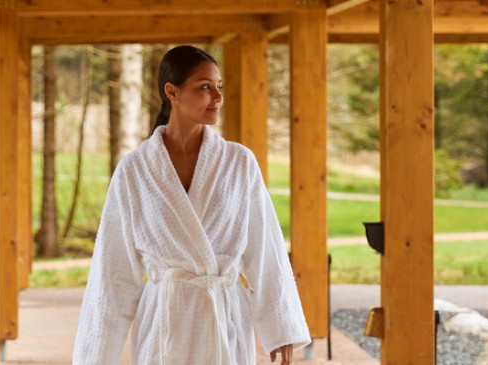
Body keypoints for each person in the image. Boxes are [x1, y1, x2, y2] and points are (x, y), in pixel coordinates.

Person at [72, 45, 311, 365]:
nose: (217, 96)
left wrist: (280, 328)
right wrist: (95, 356)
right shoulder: (136, 170)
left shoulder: (239, 163)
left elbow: (265, 249)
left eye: (219, 86)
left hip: (223, 315)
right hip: (165, 323)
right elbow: (113, 274)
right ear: (172, 91)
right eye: (204, 86)